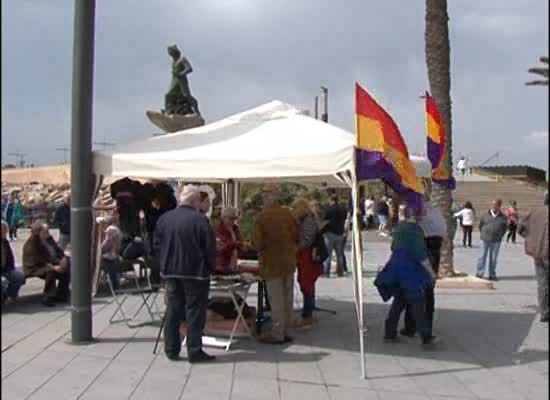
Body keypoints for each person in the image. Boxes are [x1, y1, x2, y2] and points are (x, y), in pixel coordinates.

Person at [154, 185, 217, 363]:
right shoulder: (201, 220)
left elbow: (157, 246)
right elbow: (209, 249)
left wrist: (164, 264)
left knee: (173, 309)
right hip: (195, 272)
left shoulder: (165, 219)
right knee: (195, 312)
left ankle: (171, 348)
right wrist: (209, 267)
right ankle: (194, 350)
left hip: (171, 271)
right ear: (196, 201)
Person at [374, 206, 437, 345]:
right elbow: (421, 255)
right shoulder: (416, 230)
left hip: (396, 268)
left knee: (398, 302)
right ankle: (425, 336)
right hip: (410, 272)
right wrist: (432, 274)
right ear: (415, 216)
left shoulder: (399, 228)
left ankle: (389, 333)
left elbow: (393, 247)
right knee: (418, 304)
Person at [254, 189, 298, 344]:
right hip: (289, 261)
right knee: (288, 298)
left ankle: (277, 333)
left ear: (266, 202)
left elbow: (258, 244)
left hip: (272, 263)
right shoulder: (288, 215)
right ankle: (288, 331)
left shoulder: (262, 218)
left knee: (276, 300)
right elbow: (296, 236)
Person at [401, 198, 446, 338]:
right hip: (433, 250)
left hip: (420, 250)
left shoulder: (418, 212)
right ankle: (425, 329)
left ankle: (411, 327)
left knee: (413, 290)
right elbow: (443, 231)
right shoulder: (436, 212)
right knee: (428, 293)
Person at [22, 221, 70, 307]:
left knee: (65, 269)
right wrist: (53, 267)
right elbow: (38, 260)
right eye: (45, 231)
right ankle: (48, 297)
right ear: (38, 232)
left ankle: (62, 295)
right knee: (50, 272)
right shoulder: (32, 244)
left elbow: (56, 252)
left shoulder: (47, 240)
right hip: (34, 267)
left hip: (46, 264)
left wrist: (61, 261)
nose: (48, 233)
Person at [292, 198, 323, 328]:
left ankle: (307, 315)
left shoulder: (308, 221)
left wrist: (296, 248)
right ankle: (307, 312)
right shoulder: (308, 219)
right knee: (307, 284)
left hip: (308, 257)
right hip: (306, 257)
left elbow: (308, 240)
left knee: (306, 284)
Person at [518, 192, 549, 322]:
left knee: (542, 283)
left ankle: (544, 312)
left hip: (538, 252)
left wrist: (530, 239)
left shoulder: (534, 212)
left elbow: (520, 228)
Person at [476, 199, 508, 281]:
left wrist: (500, 235)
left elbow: (505, 228)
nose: (494, 206)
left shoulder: (503, 217)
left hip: (496, 240)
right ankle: (479, 273)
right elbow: (481, 225)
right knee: (482, 256)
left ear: (499, 206)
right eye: (493, 204)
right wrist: (483, 233)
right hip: (485, 239)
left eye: (496, 205)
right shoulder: (485, 215)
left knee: (493, 258)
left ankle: (492, 274)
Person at [322, 196, 348, 277]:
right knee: (339, 254)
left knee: (328, 254)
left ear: (331, 200)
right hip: (340, 233)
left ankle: (326, 272)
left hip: (330, 233)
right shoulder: (343, 209)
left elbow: (324, 219)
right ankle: (340, 272)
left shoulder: (329, 209)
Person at [1, 220, 26, 303]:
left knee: (20, 276)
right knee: (3, 282)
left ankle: (10, 295)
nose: (5, 233)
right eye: (3, 230)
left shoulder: (5, 241)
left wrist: (12, 268)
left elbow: (10, 257)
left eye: (5, 230)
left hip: (7, 269)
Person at [214, 207, 244, 274]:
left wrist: (242, 246)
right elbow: (223, 245)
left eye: (234, 219)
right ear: (223, 217)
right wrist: (239, 243)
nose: (233, 221)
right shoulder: (218, 229)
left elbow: (240, 242)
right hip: (221, 266)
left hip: (233, 264)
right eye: (231, 219)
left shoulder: (235, 229)